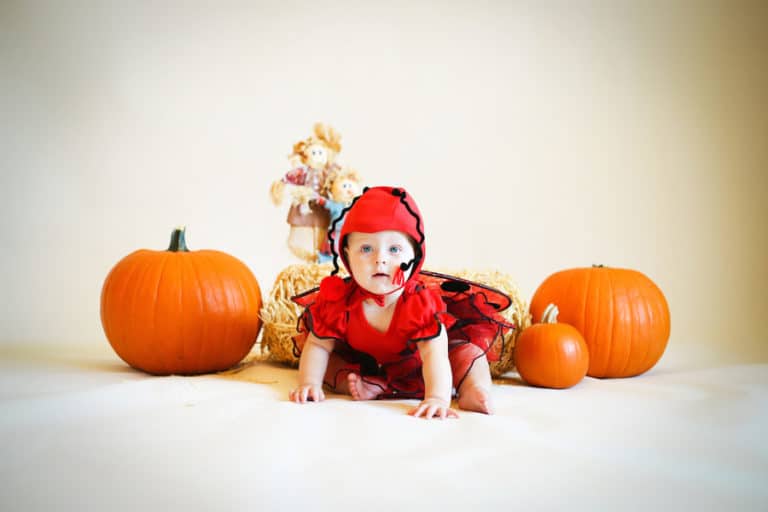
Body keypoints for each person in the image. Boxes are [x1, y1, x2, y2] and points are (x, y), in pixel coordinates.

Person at [289, 186, 514, 419]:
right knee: (332, 365)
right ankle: (370, 386)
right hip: (368, 366)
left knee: (467, 353)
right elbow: (318, 345)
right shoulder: (340, 303)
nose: (380, 259)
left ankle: (473, 389)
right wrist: (309, 382)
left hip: (425, 368)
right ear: (346, 255)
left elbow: (434, 354)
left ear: (414, 256)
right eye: (366, 249)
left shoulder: (417, 305)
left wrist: (437, 398)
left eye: (394, 249)